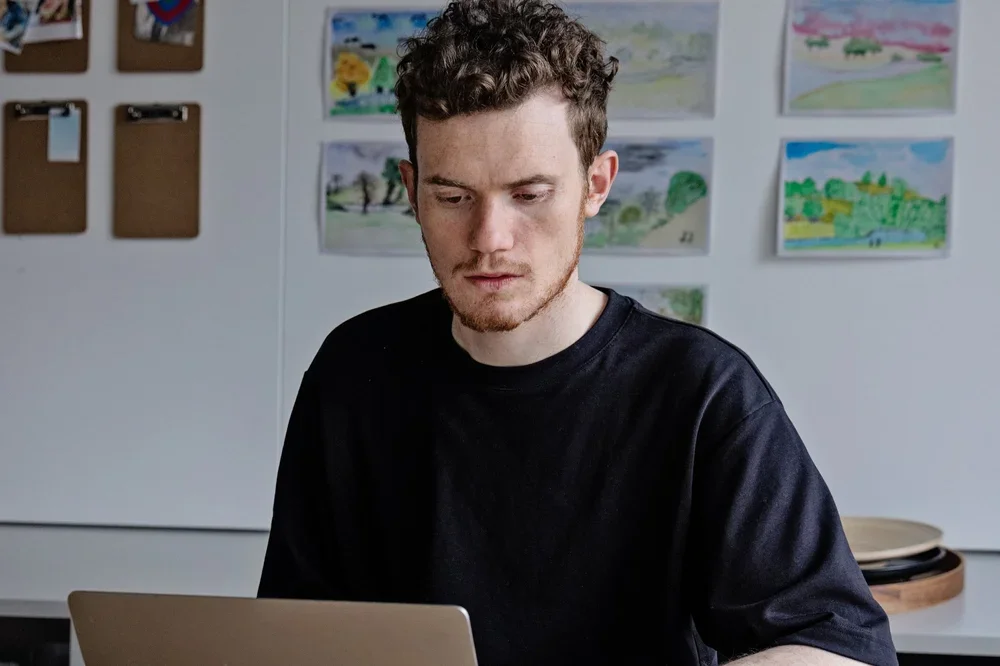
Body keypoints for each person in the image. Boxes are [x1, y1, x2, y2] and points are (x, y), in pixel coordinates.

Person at [258, 1, 898, 664]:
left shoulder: (700, 391)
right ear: (413, 190)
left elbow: (835, 643)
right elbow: (294, 632)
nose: (489, 240)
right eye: (453, 197)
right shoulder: (354, 373)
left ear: (596, 184)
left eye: (529, 194)